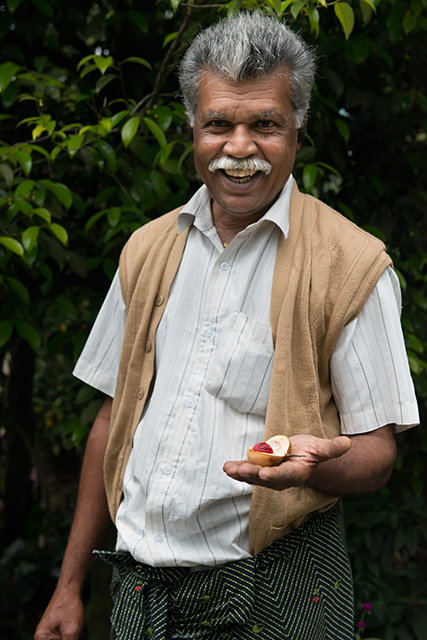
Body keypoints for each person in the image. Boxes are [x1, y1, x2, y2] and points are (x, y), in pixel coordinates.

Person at [35, 13, 419, 640]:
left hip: (273, 589)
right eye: (219, 124)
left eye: (264, 123)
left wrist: (313, 467)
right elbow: (112, 420)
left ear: (298, 128)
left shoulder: (353, 265)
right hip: (138, 593)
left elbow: (376, 454)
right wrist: (69, 585)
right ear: (193, 127)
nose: (239, 148)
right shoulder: (146, 249)